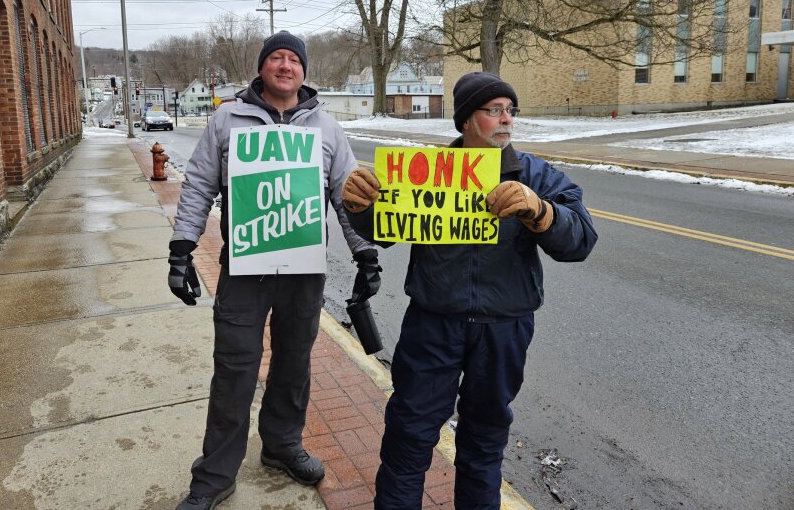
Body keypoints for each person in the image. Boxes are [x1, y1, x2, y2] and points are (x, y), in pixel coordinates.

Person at [341, 72, 598, 509]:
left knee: (484, 445)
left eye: (510, 111)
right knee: (408, 438)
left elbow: (581, 240)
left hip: (504, 329)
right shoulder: (425, 174)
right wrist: (358, 206)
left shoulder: (534, 174)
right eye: (493, 110)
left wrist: (542, 212)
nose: (506, 120)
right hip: (433, 325)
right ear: (465, 120)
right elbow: (382, 228)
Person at [169, 30, 380, 510]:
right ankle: (214, 475)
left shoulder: (326, 128)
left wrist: (365, 255)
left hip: (304, 270)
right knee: (234, 369)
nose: (285, 66)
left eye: (294, 60)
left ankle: (282, 446)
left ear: (304, 72)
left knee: (293, 363)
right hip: (244, 268)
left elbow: (349, 197)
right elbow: (199, 184)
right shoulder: (228, 119)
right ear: (263, 67)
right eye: (276, 58)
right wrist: (180, 251)